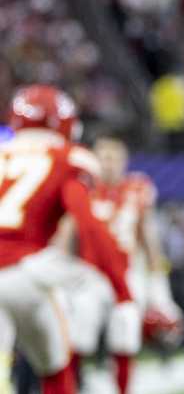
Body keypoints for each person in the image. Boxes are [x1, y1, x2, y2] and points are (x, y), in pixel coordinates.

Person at [0, 85, 135, 394]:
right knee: (60, 364)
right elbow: (89, 225)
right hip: (27, 269)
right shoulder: (70, 157)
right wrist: (122, 291)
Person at [56, 134, 183, 394]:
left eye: (113, 158)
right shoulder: (82, 189)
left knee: (125, 337)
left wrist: (160, 286)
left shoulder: (137, 189)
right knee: (78, 338)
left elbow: (147, 235)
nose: (108, 164)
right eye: (103, 157)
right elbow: (67, 234)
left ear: (124, 161)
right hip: (89, 274)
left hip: (126, 274)